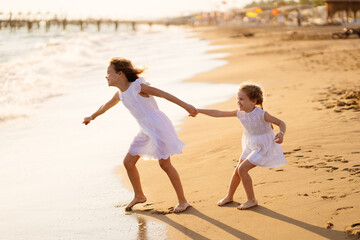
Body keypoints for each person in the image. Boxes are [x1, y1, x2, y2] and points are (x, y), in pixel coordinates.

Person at [83, 57, 197, 213]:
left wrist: (186, 106)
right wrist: (92, 116)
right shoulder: (120, 94)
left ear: (120, 74)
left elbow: (164, 94)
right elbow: (105, 106)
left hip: (158, 127)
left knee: (165, 164)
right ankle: (139, 195)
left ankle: (183, 201)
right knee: (128, 162)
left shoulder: (138, 87)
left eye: (109, 73)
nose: (106, 76)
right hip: (144, 130)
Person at [197, 83, 286, 210]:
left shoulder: (262, 114)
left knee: (242, 169)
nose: (238, 102)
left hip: (263, 146)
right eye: (237, 98)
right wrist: (198, 110)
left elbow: (281, 123)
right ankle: (229, 196)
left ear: (253, 101)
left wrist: (281, 133)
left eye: (242, 99)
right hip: (250, 144)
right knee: (238, 170)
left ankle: (252, 199)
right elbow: (218, 113)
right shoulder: (240, 113)